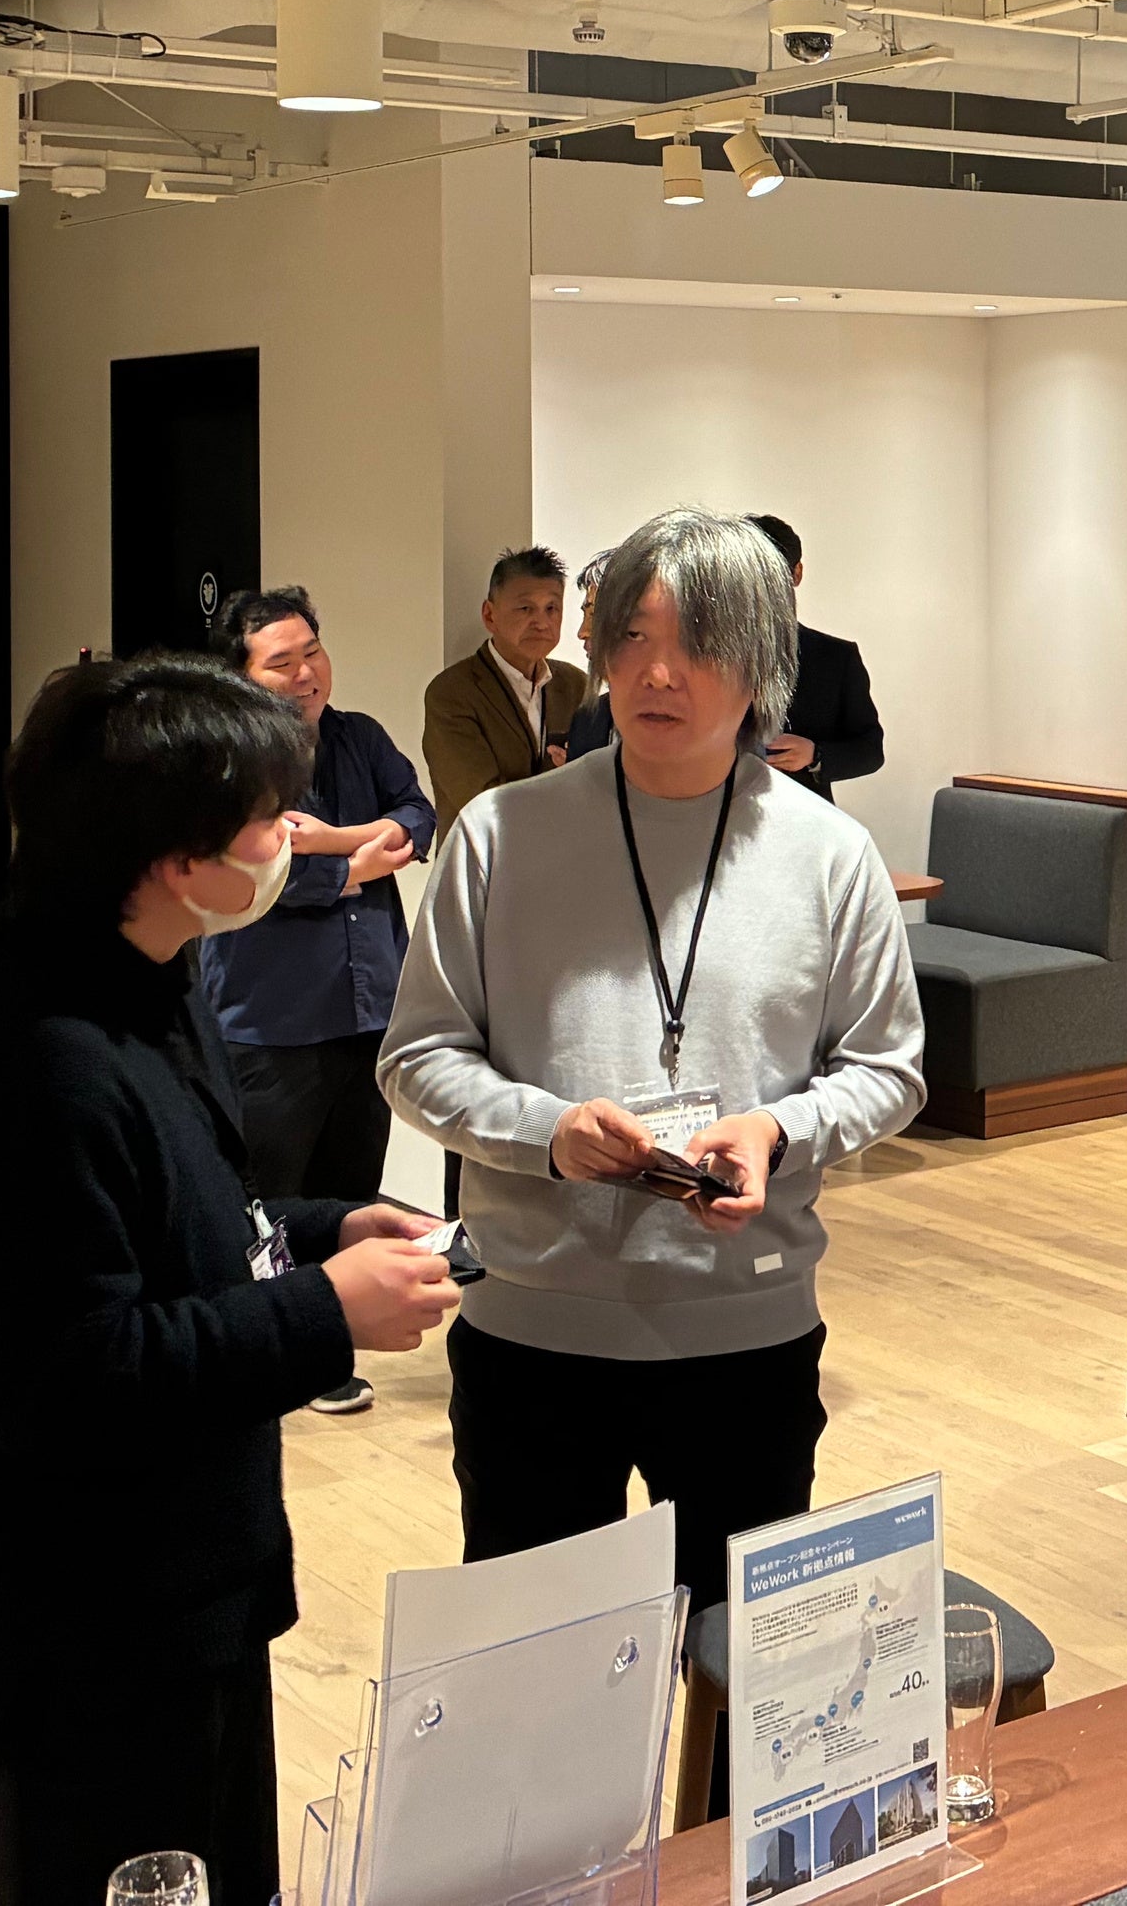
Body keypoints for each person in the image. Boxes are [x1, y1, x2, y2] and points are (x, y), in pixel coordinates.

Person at [0, 656, 458, 1906]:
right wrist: (325, 1314)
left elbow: (183, 1220)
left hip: (177, 1604)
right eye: (267, 818)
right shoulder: (32, 1065)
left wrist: (322, 1230)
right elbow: (66, 1384)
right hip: (60, 1651)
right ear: (176, 857)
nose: (291, 837)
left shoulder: (148, 975)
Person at [380, 507, 927, 1750]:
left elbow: (889, 1070)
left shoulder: (830, 856)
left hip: (745, 1338)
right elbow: (416, 1057)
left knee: (755, 1717)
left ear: (763, 664)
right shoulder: (501, 835)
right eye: (629, 638)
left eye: (696, 644)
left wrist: (779, 1131)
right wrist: (545, 1130)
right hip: (532, 1338)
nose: (656, 673)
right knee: (532, 1716)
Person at [199, 587, 432, 1416]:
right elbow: (259, 875)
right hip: (272, 1015)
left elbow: (417, 815)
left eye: (312, 652)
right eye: (281, 661)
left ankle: (327, 1349)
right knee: (266, 1197)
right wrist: (356, 863)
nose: (305, 673)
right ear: (241, 675)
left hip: (369, 1007)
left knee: (348, 1194)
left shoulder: (358, 736)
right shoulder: (227, 760)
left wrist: (333, 844)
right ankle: (262, 1350)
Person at [422, 545, 592, 841]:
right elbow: (483, 803)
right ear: (490, 615)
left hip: (564, 854)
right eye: (525, 609)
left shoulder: (576, 685)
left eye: (551, 609)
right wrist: (565, 782)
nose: (541, 622)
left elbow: (597, 783)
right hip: (484, 858)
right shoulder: (451, 692)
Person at [745, 515, 885, 800]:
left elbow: (870, 750)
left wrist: (815, 754)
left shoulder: (836, 658)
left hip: (807, 812)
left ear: (796, 573)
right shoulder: (707, 655)